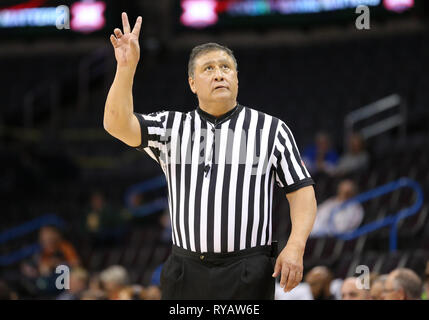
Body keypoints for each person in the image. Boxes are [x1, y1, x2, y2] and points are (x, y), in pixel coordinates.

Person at [103, 12, 317, 299]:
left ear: (237, 79)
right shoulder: (171, 126)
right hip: (185, 269)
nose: (219, 73)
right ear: (192, 83)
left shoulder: (271, 129)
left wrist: (295, 246)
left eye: (226, 67)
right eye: (208, 68)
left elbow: (302, 193)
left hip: (249, 268)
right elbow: (116, 124)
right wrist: (126, 68)